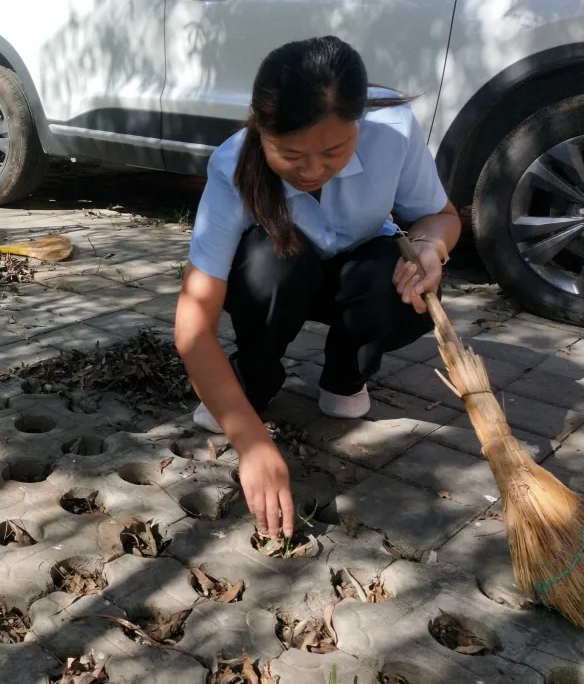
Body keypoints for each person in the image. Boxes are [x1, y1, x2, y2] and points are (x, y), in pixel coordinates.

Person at [174, 36, 460, 539]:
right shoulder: (231, 166)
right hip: (283, 277)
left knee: (403, 290)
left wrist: (431, 248)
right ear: (261, 131)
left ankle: (346, 377)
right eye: (290, 154)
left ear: (358, 122)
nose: (311, 171)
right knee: (268, 264)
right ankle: (255, 377)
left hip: (359, 275)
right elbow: (193, 325)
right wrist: (252, 443)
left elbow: (439, 217)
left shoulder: (392, 130)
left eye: (333, 152)